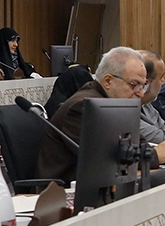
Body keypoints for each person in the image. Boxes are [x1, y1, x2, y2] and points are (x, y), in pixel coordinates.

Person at [37, 47, 152, 182]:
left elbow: (137, 143)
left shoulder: (115, 104)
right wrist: (154, 156)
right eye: (134, 84)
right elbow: (106, 158)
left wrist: (150, 153)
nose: (141, 93)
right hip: (61, 190)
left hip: (99, 185)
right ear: (108, 81)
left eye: (143, 86)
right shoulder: (83, 107)